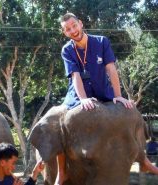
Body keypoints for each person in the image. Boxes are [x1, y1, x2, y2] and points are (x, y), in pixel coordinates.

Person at [55, 12, 158, 184]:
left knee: (130, 113)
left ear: (80, 24)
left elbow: (111, 69)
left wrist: (118, 96)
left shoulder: (102, 41)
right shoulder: (67, 50)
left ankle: (145, 161)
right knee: (57, 123)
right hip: (76, 96)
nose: (72, 30)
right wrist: (83, 99)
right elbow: (75, 76)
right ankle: (61, 172)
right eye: (67, 29)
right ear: (65, 33)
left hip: (104, 93)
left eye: (74, 26)